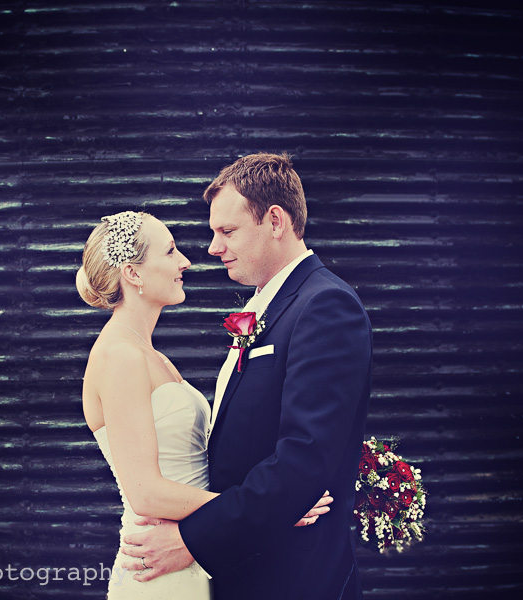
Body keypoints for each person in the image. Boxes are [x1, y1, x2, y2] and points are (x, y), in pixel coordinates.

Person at [119, 154, 373, 600]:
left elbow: (303, 459)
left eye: (227, 231)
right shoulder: (270, 305)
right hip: (247, 570)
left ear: (275, 221)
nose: (212, 248)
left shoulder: (325, 306)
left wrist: (194, 539)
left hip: (291, 579)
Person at [77, 210, 333, 599]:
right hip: (158, 571)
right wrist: (269, 511)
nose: (185, 262)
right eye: (170, 251)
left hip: (195, 554)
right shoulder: (120, 356)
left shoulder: (152, 356)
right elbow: (145, 492)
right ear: (133, 273)